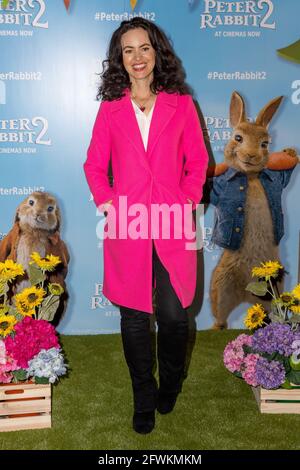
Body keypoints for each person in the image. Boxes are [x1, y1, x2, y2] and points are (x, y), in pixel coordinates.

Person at [83, 17, 209, 434]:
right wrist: (109, 203)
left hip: (173, 223)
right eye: (128, 50)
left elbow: (198, 162)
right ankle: (144, 396)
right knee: (135, 318)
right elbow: (94, 165)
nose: (137, 57)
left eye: (144, 48)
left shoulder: (182, 104)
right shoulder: (111, 108)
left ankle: (171, 383)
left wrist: (187, 199)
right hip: (128, 225)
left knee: (173, 317)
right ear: (120, 58)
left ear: (158, 52)